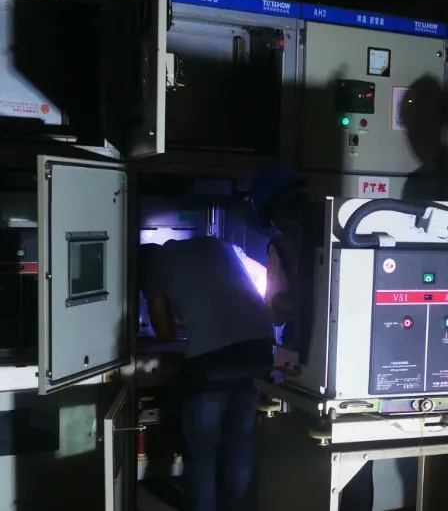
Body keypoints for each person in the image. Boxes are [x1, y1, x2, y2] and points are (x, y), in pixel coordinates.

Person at [249, 164, 374, 511]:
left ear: (273, 213)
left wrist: (304, 301)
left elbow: (276, 310)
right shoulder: (346, 229)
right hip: (357, 359)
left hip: (304, 362)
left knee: (310, 445)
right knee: (358, 451)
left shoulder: (279, 246)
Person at [139, 236, 274, 511]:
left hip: (212, 362)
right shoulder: (211, 244)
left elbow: (164, 332)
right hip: (259, 349)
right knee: (240, 447)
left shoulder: (152, 266)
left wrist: (170, 312)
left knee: (202, 455)